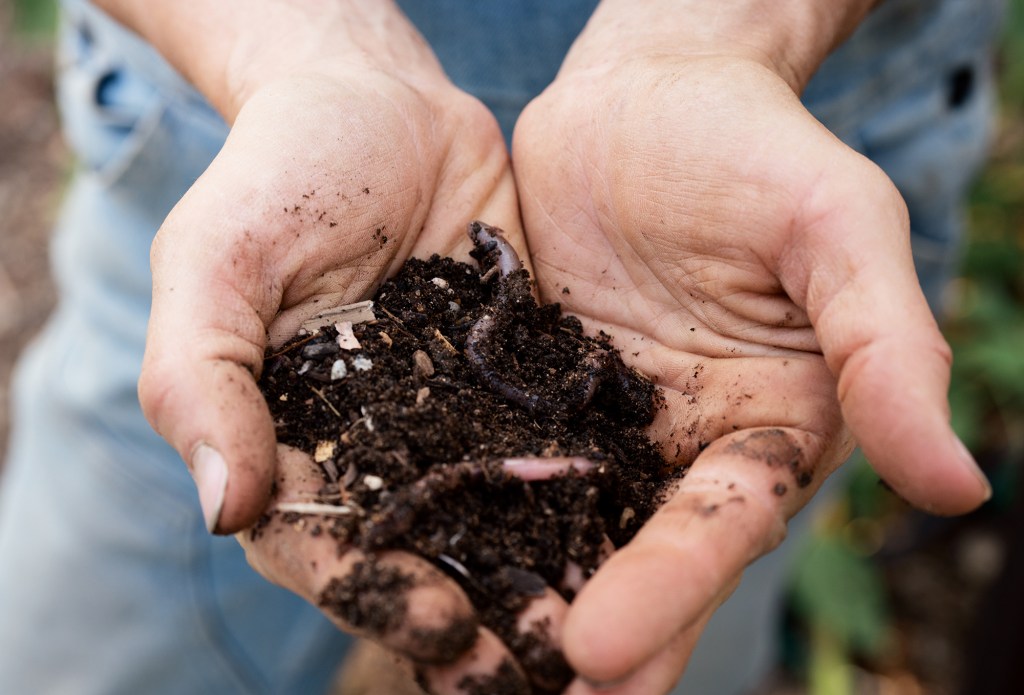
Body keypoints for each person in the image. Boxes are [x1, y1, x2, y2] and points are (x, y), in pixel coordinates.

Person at [0, 0, 1004, 693]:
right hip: (239, 128)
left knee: (633, 614)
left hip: (755, 210)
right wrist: (302, 49)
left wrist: (720, 34)